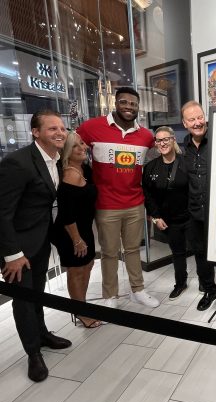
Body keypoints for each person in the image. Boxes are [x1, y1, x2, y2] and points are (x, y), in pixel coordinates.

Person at [0, 110, 72, 382]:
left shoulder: (55, 160)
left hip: (40, 241)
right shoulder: (17, 163)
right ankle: (33, 354)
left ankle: (42, 335)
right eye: (52, 128)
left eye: (62, 128)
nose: (60, 133)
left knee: (37, 294)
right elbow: (2, 212)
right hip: (17, 250)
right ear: (35, 132)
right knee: (23, 300)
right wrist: (12, 255)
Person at [77, 87, 159, 309]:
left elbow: (156, 161)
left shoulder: (145, 136)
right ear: (115, 103)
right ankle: (110, 295)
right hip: (106, 204)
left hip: (135, 203)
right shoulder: (91, 127)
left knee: (133, 249)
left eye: (133, 104)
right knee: (109, 252)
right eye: (124, 102)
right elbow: (72, 148)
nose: (129, 107)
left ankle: (138, 290)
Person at [181, 101, 216, 312]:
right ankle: (209, 290)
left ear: (205, 117)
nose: (197, 122)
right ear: (185, 123)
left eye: (199, 117)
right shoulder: (182, 149)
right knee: (201, 254)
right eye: (192, 119)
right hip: (194, 214)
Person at [52, 132, 101, 328]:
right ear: (66, 152)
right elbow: (66, 215)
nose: (82, 148)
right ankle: (80, 312)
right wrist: (77, 240)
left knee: (87, 266)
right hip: (70, 232)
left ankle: (83, 306)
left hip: (84, 228)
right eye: (75, 146)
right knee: (76, 271)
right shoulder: (69, 175)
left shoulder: (84, 169)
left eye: (82, 144)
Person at [143, 126, 190, 300]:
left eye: (166, 139)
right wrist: (155, 217)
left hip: (190, 217)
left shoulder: (186, 163)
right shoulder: (151, 168)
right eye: (159, 140)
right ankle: (180, 283)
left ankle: (206, 284)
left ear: (173, 140)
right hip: (170, 220)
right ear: (156, 144)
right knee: (178, 253)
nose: (163, 143)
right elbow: (148, 195)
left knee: (200, 251)